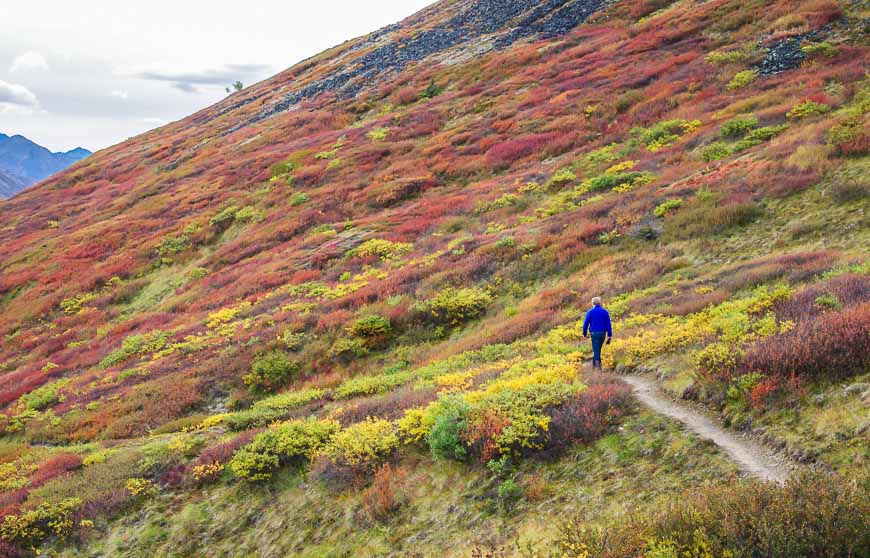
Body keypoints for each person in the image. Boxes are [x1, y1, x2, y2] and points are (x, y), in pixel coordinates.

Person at [582, 297, 612, 369]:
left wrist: (584, 333)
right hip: (602, 334)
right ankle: (594, 366)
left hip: (594, 334)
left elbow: (585, 324)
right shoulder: (605, 312)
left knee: (596, 350)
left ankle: (598, 368)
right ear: (600, 303)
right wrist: (609, 335)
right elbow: (608, 324)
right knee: (597, 350)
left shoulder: (590, 312)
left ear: (593, 303)